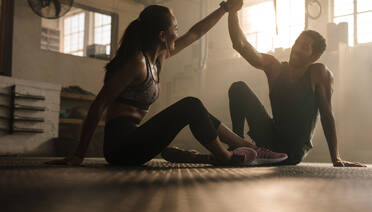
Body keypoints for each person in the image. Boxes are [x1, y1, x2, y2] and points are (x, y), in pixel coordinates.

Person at [48, 2, 287, 167]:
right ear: (162, 35)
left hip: (136, 141)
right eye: (175, 28)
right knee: (191, 105)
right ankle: (225, 156)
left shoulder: (158, 58)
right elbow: (99, 104)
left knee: (195, 108)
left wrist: (225, 8)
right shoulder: (137, 63)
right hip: (120, 148)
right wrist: (79, 154)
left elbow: (196, 32)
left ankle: (244, 147)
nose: (178, 32)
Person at [226, 0, 365, 167]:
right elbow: (241, 45)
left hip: (292, 151)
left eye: (304, 46)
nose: (297, 49)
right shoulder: (275, 68)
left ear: (314, 56)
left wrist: (336, 158)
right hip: (270, 140)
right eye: (297, 43)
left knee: (290, 149)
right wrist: (232, 12)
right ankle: (238, 148)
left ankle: (248, 151)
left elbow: (327, 115)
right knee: (238, 88)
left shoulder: (318, 73)